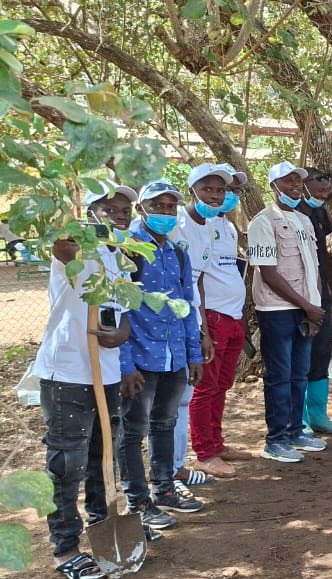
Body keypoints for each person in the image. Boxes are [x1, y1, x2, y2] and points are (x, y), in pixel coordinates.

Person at [37, 181, 136, 579]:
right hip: (68, 374)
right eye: (110, 209)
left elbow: (124, 314)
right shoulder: (74, 252)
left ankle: (104, 526)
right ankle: (65, 547)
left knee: (103, 457)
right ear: (91, 213)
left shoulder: (120, 258)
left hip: (105, 374)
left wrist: (121, 334)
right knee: (67, 465)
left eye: (126, 210)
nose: (120, 215)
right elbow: (61, 241)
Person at [119, 180, 204, 525]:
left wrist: (193, 354)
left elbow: (187, 305)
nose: (166, 213)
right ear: (142, 209)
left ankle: (164, 489)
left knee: (165, 424)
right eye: (158, 207)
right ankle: (137, 502)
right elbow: (118, 310)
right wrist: (125, 365)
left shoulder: (177, 252)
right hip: (140, 357)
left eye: (171, 207)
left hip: (173, 355)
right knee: (133, 431)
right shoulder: (128, 250)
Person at [247, 163, 328, 460]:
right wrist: (308, 306)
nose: (295, 185)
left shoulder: (304, 220)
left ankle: (295, 431)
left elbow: (313, 269)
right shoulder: (262, 222)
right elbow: (268, 273)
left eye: (297, 180)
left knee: (299, 375)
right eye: (287, 180)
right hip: (277, 309)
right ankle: (276, 440)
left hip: (306, 309)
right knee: (279, 376)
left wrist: (314, 307)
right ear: (273, 186)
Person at [184, 164, 250, 480]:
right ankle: (205, 453)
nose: (222, 195)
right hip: (211, 317)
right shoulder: (191, 225)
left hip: (233, 316)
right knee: (205, 387)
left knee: (222, 385)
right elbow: (195, 279)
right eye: (210, 189)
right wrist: (203, 329)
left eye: (228, 190)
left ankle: (217, 443)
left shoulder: (226, 226)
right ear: (194, 190)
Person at [169, 165, 220, 487]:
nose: (215, 196)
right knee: (165, 405)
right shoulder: (175, 225)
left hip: (190, 323)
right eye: (207, 189)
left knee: (183, 399)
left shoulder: (208, 228)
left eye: (219, 190)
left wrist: (202, 331)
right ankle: (165, 474)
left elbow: (195, 282)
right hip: (163, 326)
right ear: (192, 191)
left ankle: (177, 467)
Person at [297, 166, 332, 435]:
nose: (324, 188)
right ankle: (299, 417)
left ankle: (318, 414)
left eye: (327, 184)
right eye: (319, 182)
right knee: (300, 353)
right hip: (295, 293)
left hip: (321, 290)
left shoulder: (319, 212)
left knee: (322, 350)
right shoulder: (289, 213)